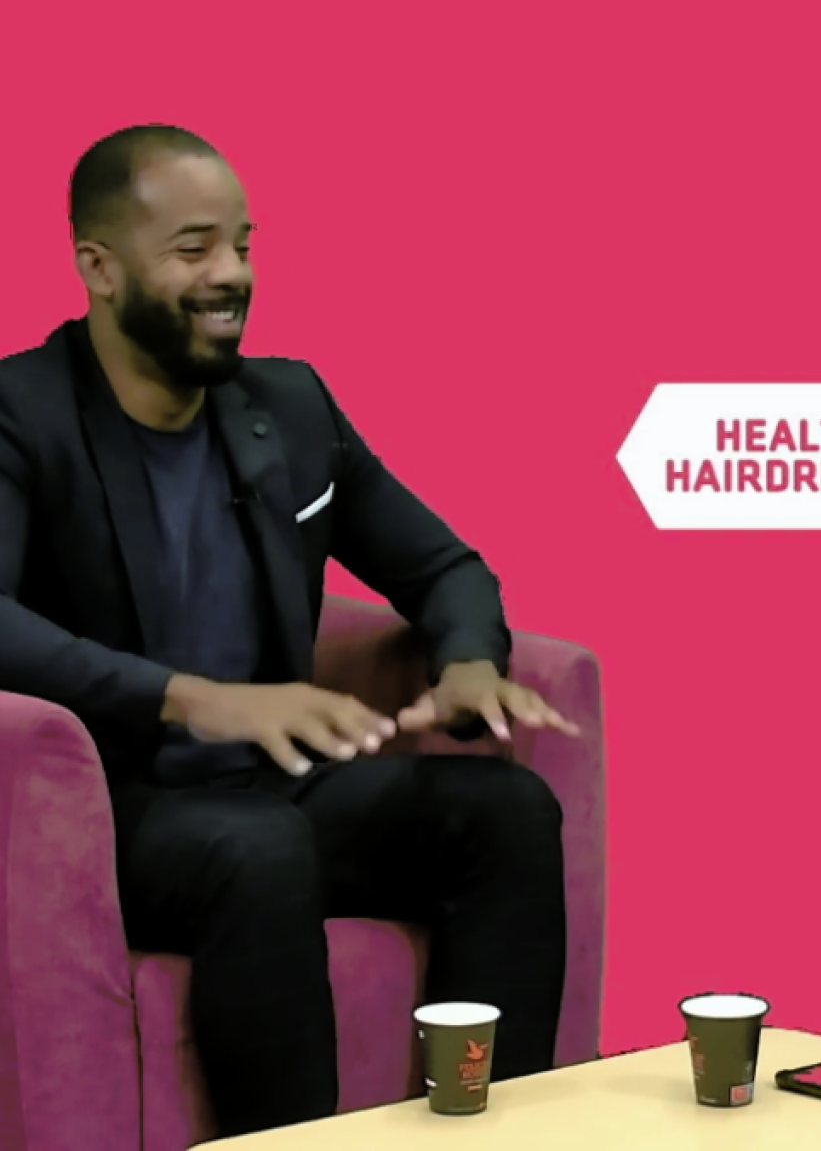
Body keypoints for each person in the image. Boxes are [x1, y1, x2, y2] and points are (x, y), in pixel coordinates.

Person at [0, 125, 581, 1137]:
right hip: (112, 805)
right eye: (193, 249)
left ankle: (498, 1129)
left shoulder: (291, 403)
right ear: (99, 267)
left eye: (242, 245)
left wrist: (467, 663)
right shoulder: (22, 413)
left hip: (276, 787)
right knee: (258, 848)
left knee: (505, 813)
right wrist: (194, 699)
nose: (231, 274)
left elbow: (441, 564)